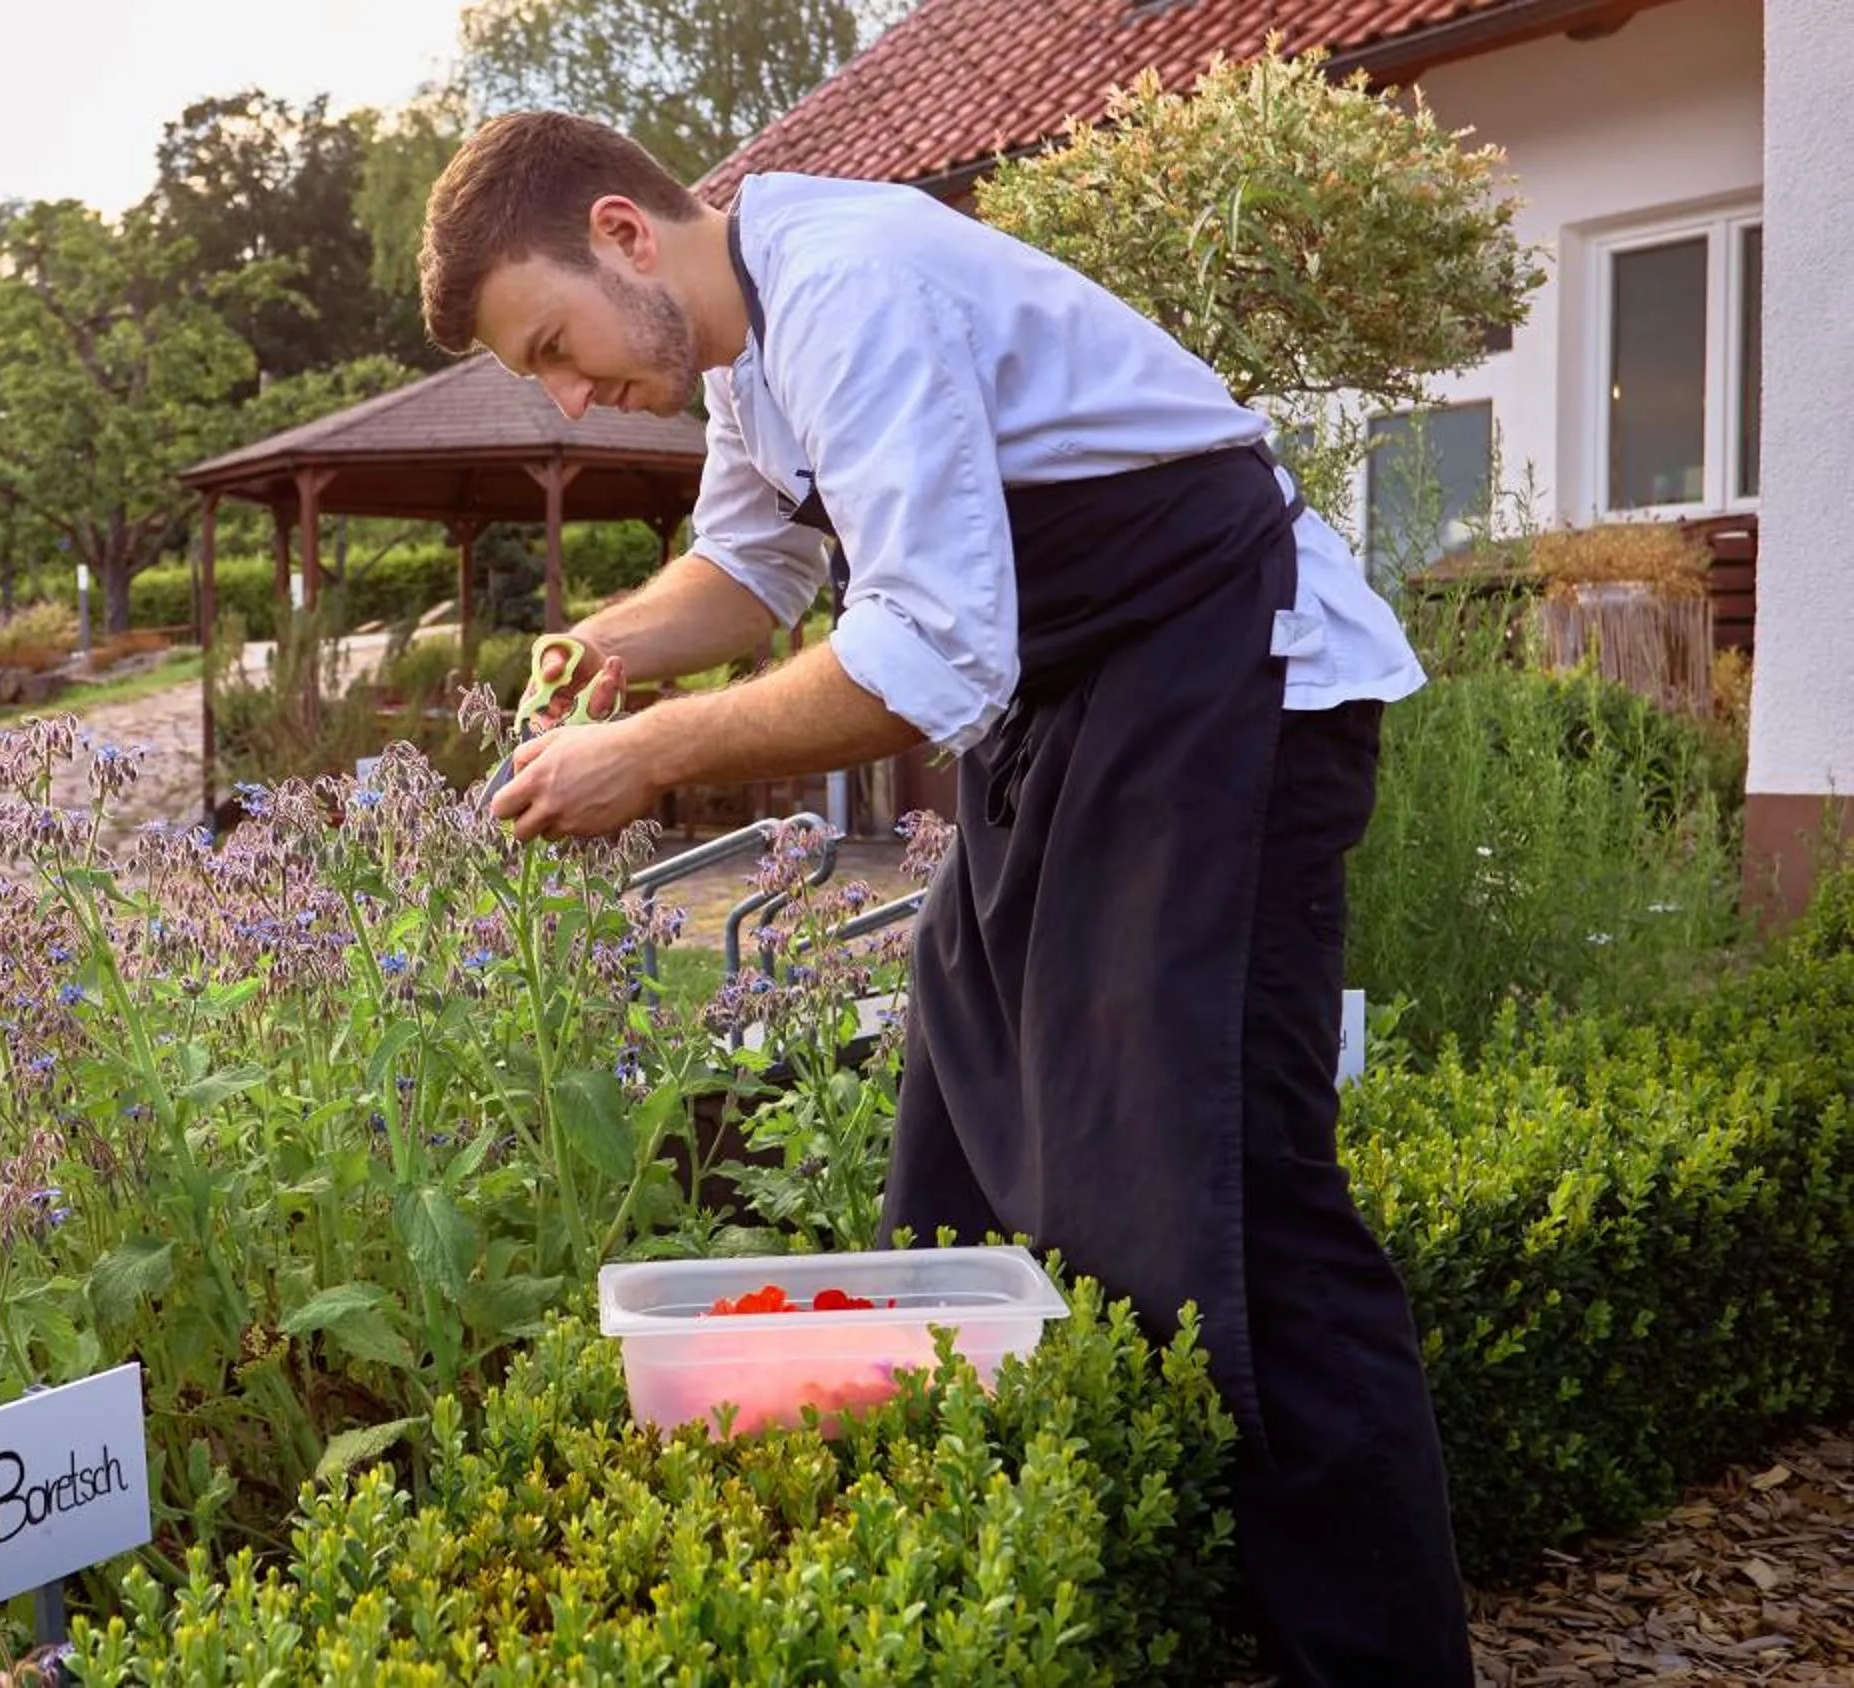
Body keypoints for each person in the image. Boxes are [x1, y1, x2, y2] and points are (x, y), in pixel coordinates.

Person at [420, 110, 1472, 1685]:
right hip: (1080, 718)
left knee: (1224, 1202)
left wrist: (647, 758)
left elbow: (925, 656)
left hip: (1229, 689)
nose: (573, 396)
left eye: (557, 346)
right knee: (964, 1148)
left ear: (627, 234)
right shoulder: (743, 341)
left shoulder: (848, 283)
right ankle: (1043, 1614)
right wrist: (619, 646)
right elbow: (754, 570)